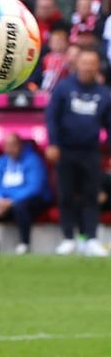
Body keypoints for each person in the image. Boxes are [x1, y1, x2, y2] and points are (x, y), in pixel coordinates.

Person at [45, 47, 111, 256]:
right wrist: (53, 143)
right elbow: (51, 118)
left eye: (92, 63)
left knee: (91, 196)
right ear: (77, 64)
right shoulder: (63, 88)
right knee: (65, 195)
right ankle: (68, 238)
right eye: (85, 62)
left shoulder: (104, 94)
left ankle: (89, 238)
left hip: (91, 152)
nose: (88, 67)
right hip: (65, 150)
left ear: (97, 66)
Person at [0, 132, 51, 254]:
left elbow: (34, 187)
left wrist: (11, 201)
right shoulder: (1, 161)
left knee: (21, 206)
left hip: (30, 199)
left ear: (20, 145)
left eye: (12, 145)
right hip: (4, 200)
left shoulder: (33, 160)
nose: (9, 149)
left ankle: (24, 243)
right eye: (6, 145)